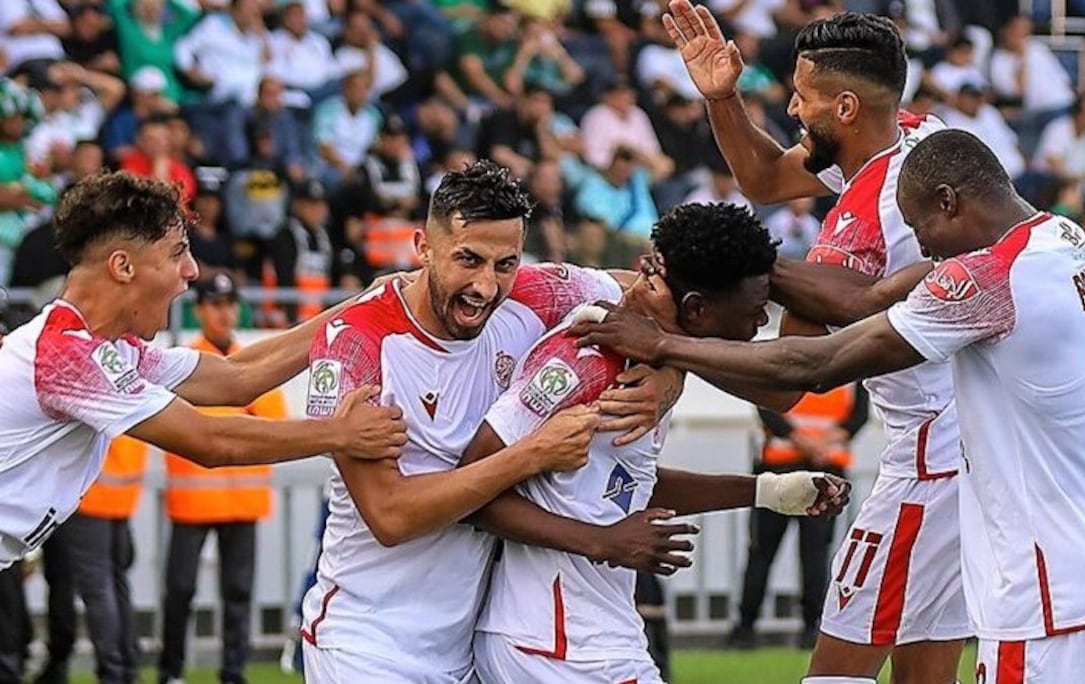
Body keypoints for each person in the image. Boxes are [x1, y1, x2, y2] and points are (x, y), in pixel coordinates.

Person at [572, 129, 1085, 684]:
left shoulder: (988, 280)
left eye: (918, 226)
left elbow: (815, 364)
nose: (922, 247)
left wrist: (664, 346)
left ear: (948, 202)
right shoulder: (1065, 238)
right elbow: (868, 283)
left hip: (1049, 592)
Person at [662, 3, 968, 680]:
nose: (795, 109)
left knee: (835, 672)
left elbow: (788, 379)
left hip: (929, 464)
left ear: (849, 107)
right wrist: (722, 98)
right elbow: (766, 179)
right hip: (973, 453)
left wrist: (669, 335)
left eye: (803, 97)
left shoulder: (864, 218)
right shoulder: (919, 139)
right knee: (926, 672)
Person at [299, 160, 686, 683]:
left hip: (467, 651)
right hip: (367, 644)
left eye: (505, 263)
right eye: (468, 260)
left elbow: (653, 299)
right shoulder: (357, 344)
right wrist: (533, 454)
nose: (486, 285)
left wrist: (671, 375)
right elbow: (389, 516)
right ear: (423, 247)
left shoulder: (535, 292)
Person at [462, 202, 852, 684]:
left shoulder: (645, 363)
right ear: (696, 309)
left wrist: (768, 492)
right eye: (753, 314)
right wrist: (603, 542)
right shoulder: (585, 360)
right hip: (556, 645)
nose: (757, 328)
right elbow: (473, 489)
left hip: (586, 634)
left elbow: (625, 485)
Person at [0, 171, 405, 575]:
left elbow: (236, 376)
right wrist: (341, 434)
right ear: (122, 266)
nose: (192, 270)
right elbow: (208, 440)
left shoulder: (106, 347)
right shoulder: (66, 354)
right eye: (177, 253)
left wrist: (369, 307)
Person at [158, 274, 289, 684]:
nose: (224, 312)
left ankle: (233, 671)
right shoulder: (187, 360)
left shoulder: (250, 362)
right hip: (193, 500)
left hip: (241, 501)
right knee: (179, 591)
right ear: (199, 310)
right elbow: (183, 424)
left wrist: (221, 423)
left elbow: (274, 424)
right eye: (215, 304)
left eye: (230, 304)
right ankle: (171, 671)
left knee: (238, 595)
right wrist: (236, 421)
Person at [729, 382, 869, 650]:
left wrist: (803, 440)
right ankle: (807, 629)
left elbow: (765, 403)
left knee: (771, 551)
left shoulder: (785, 357)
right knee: (805, 552)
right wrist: (821, 443)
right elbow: (858, 417)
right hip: (814, 466)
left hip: (791, 465)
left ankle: (748, 630)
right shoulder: (852, 364)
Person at [56, 435, 149, 684]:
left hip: (91, 495)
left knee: (98, 588)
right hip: (122, 494)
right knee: (117, 585)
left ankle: (112, 671)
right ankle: (127, 667)